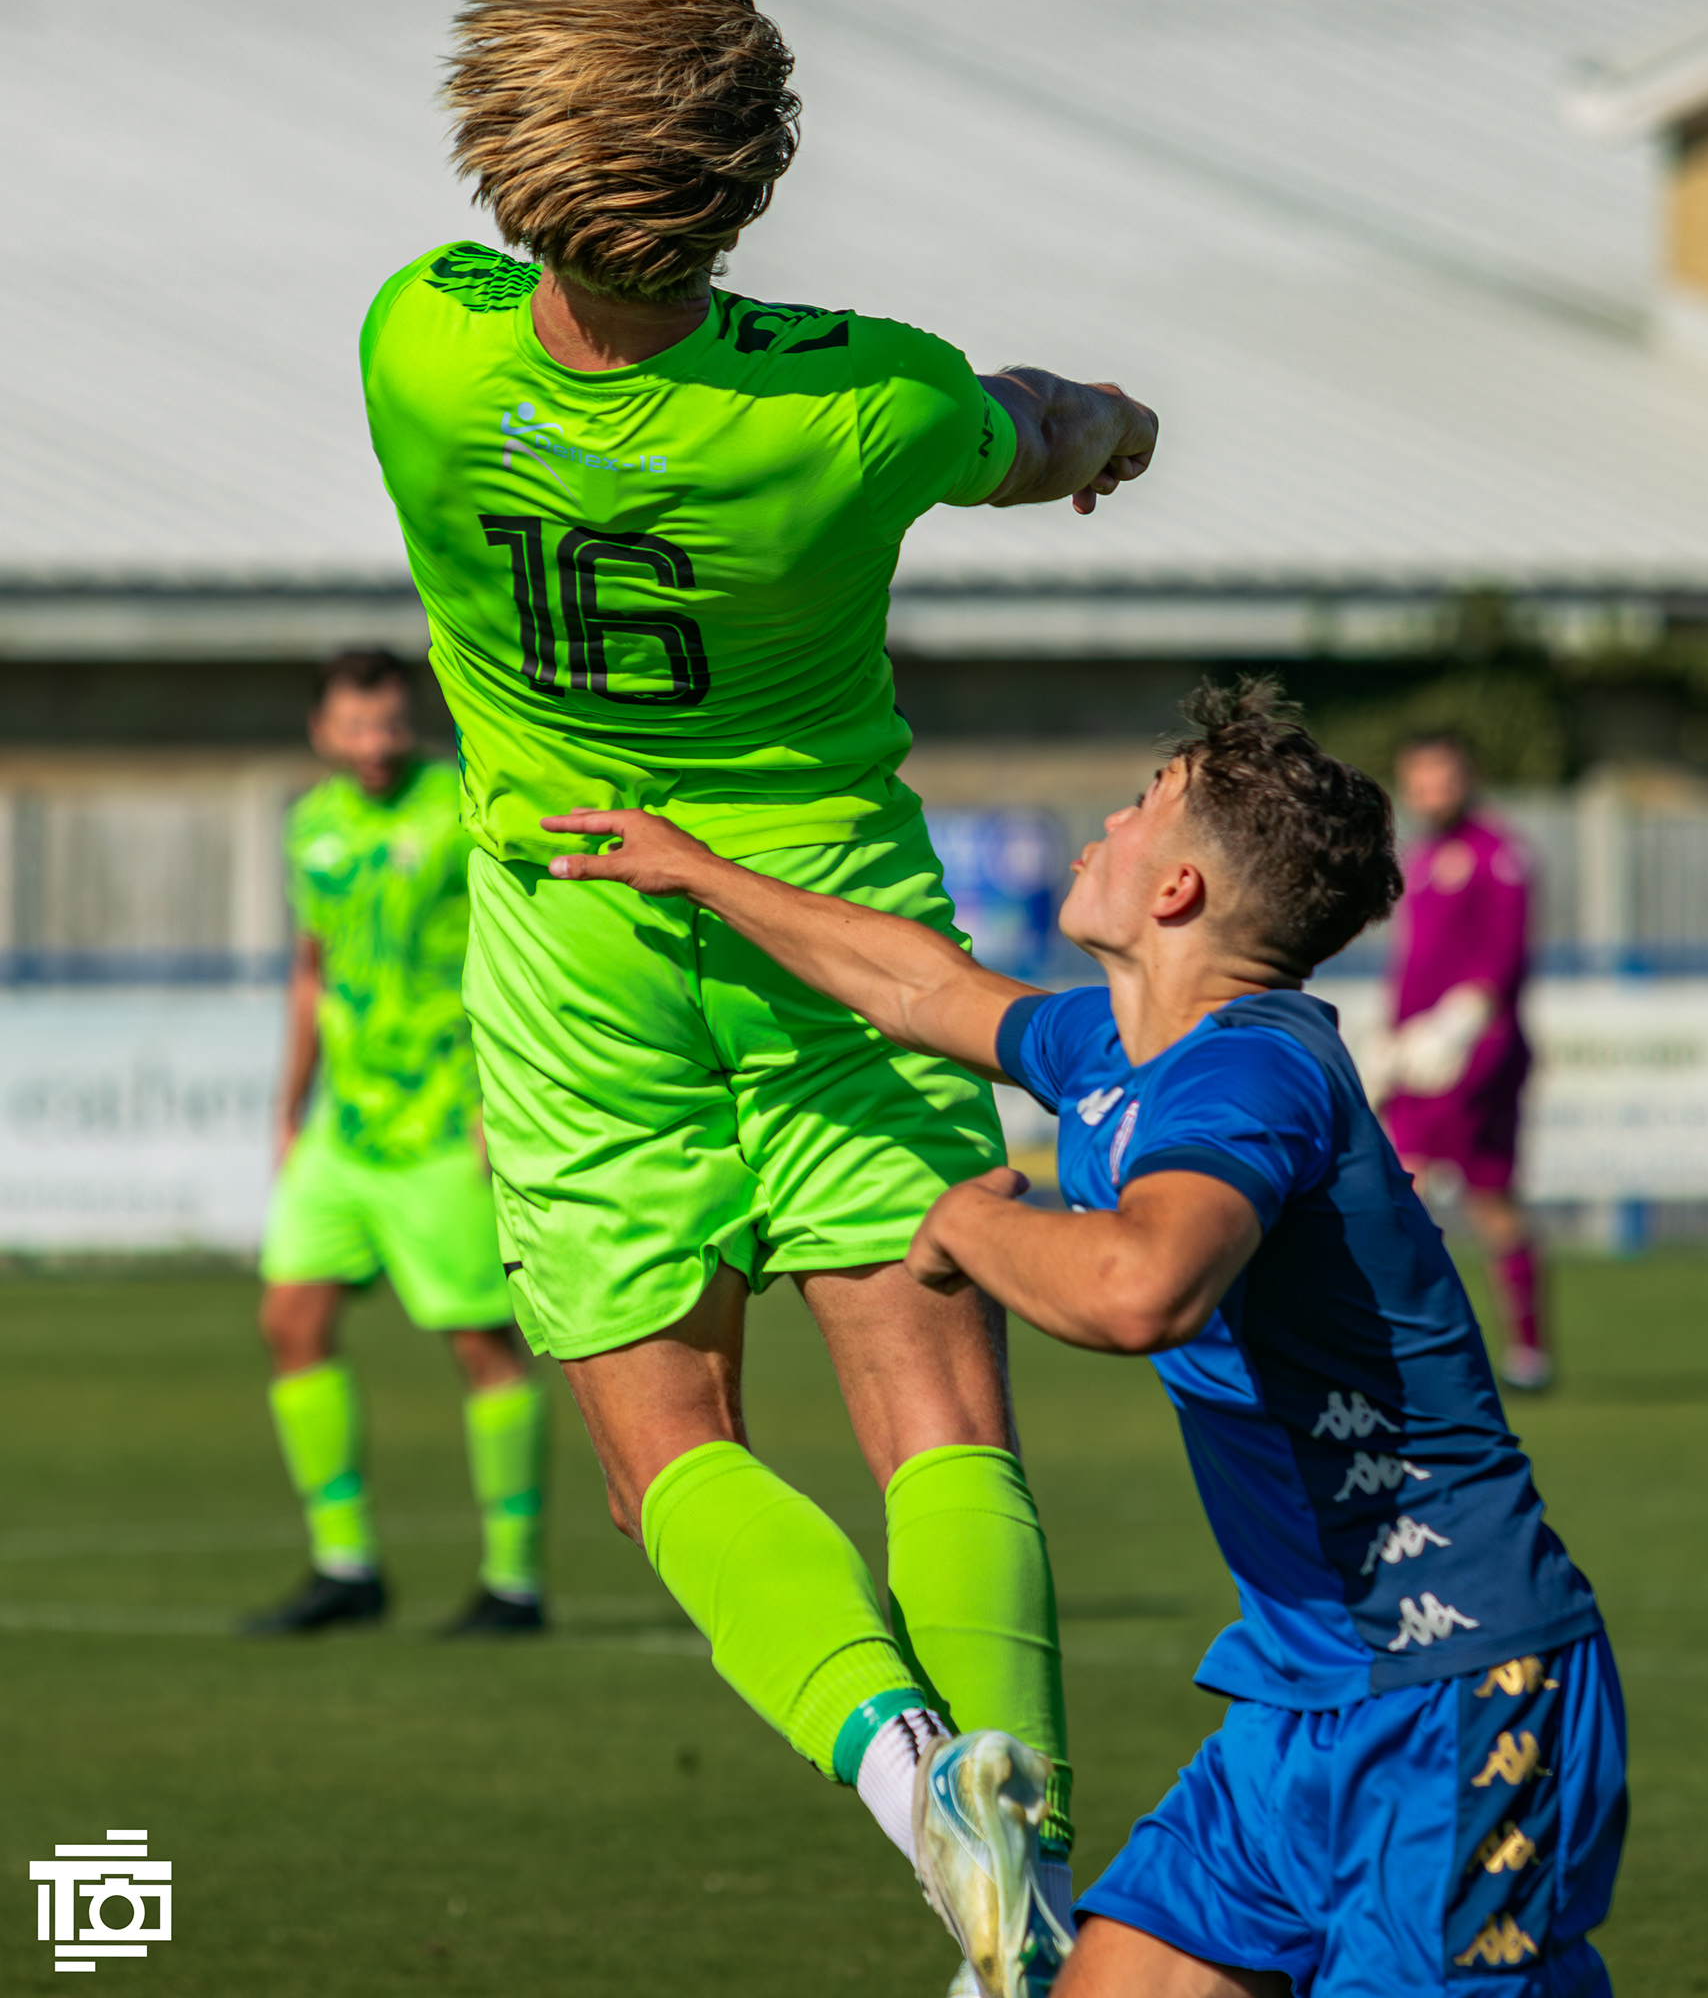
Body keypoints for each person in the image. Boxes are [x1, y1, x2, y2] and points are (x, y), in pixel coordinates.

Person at [360, 0, 1158, 1994]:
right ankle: (1022, 1850)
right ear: (754, 173)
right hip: (836, 934)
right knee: (937, 1409)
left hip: (575, 949)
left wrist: (635, 19)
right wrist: (1107, 427)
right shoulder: (868, 401)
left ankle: (914, 1795)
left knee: (668, 1455)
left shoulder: (416, 348)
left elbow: (552, 255)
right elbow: (1051, 428)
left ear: (507, 149)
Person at [540, 680, 1626, 1998]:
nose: (1102, 825)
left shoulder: (1254, 1072)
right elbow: (919, 986)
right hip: (1298, 1701)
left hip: (1456, 1692)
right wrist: (701, 875)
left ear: (1176, 890)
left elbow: (1139, 1289)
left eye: (1139, 807)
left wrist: (970, 1224)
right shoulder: (1112, 1049)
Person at [245, 649, 548, 1638]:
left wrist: (503, 1098)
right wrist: (289, 1105)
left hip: (445, 1123)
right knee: (291, 1321)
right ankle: (347, 1567)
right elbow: (312, 968)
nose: (374, 743)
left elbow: (518, 956)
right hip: (345, 1129)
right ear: (321, 732)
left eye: (389, 724)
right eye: (355, 726)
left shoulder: (461, 811)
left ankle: (514, 1583)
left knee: (482, 1345)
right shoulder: (311, 826)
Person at [1374, 732, 1550, 1392]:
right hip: (1419, 1052)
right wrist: (1393, 1039)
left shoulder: (1497, 854)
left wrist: (1463, 1021)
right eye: (1419, 780)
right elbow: (1414, 961)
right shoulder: (1419, 859)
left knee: (1476, 1197)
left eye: (1442, 778)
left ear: (1468, 778)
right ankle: (1416, 1353)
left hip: (1474, 1055)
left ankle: (1524, 1352)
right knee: (1411, 1189)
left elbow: (1504, 954)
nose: (1431, 792)